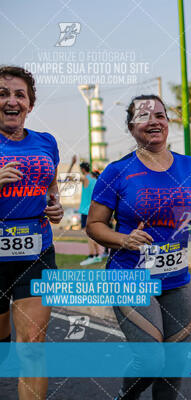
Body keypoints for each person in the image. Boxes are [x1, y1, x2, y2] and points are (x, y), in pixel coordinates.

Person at [86, 94, 191, 400]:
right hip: (129, 276)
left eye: (160, 115)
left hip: (176, 277)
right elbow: (94, 226)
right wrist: (123, 239)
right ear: (131, 127)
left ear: (168, 122)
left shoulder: (189, 166)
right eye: (144, 116)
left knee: (176, 361)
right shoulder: (118, 171)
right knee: (151, 361)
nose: (153, 121)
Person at [0, 65, 64, 399]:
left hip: (36, 252)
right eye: (3, 94)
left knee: (33, 347)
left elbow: (51, 189)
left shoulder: (46, 143)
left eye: (19, 94)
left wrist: (56, 207)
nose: (11, 101)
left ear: (29, 104)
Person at [67, 155, 104, 264]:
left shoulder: (85, 178)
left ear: (83, 169)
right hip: (94, 210)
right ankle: (97, 255)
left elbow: (68, 177)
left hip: (85, 211)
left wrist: (72, 163)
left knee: (88, 234)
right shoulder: (95, 179)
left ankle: (92, 255)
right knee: (93, 234)